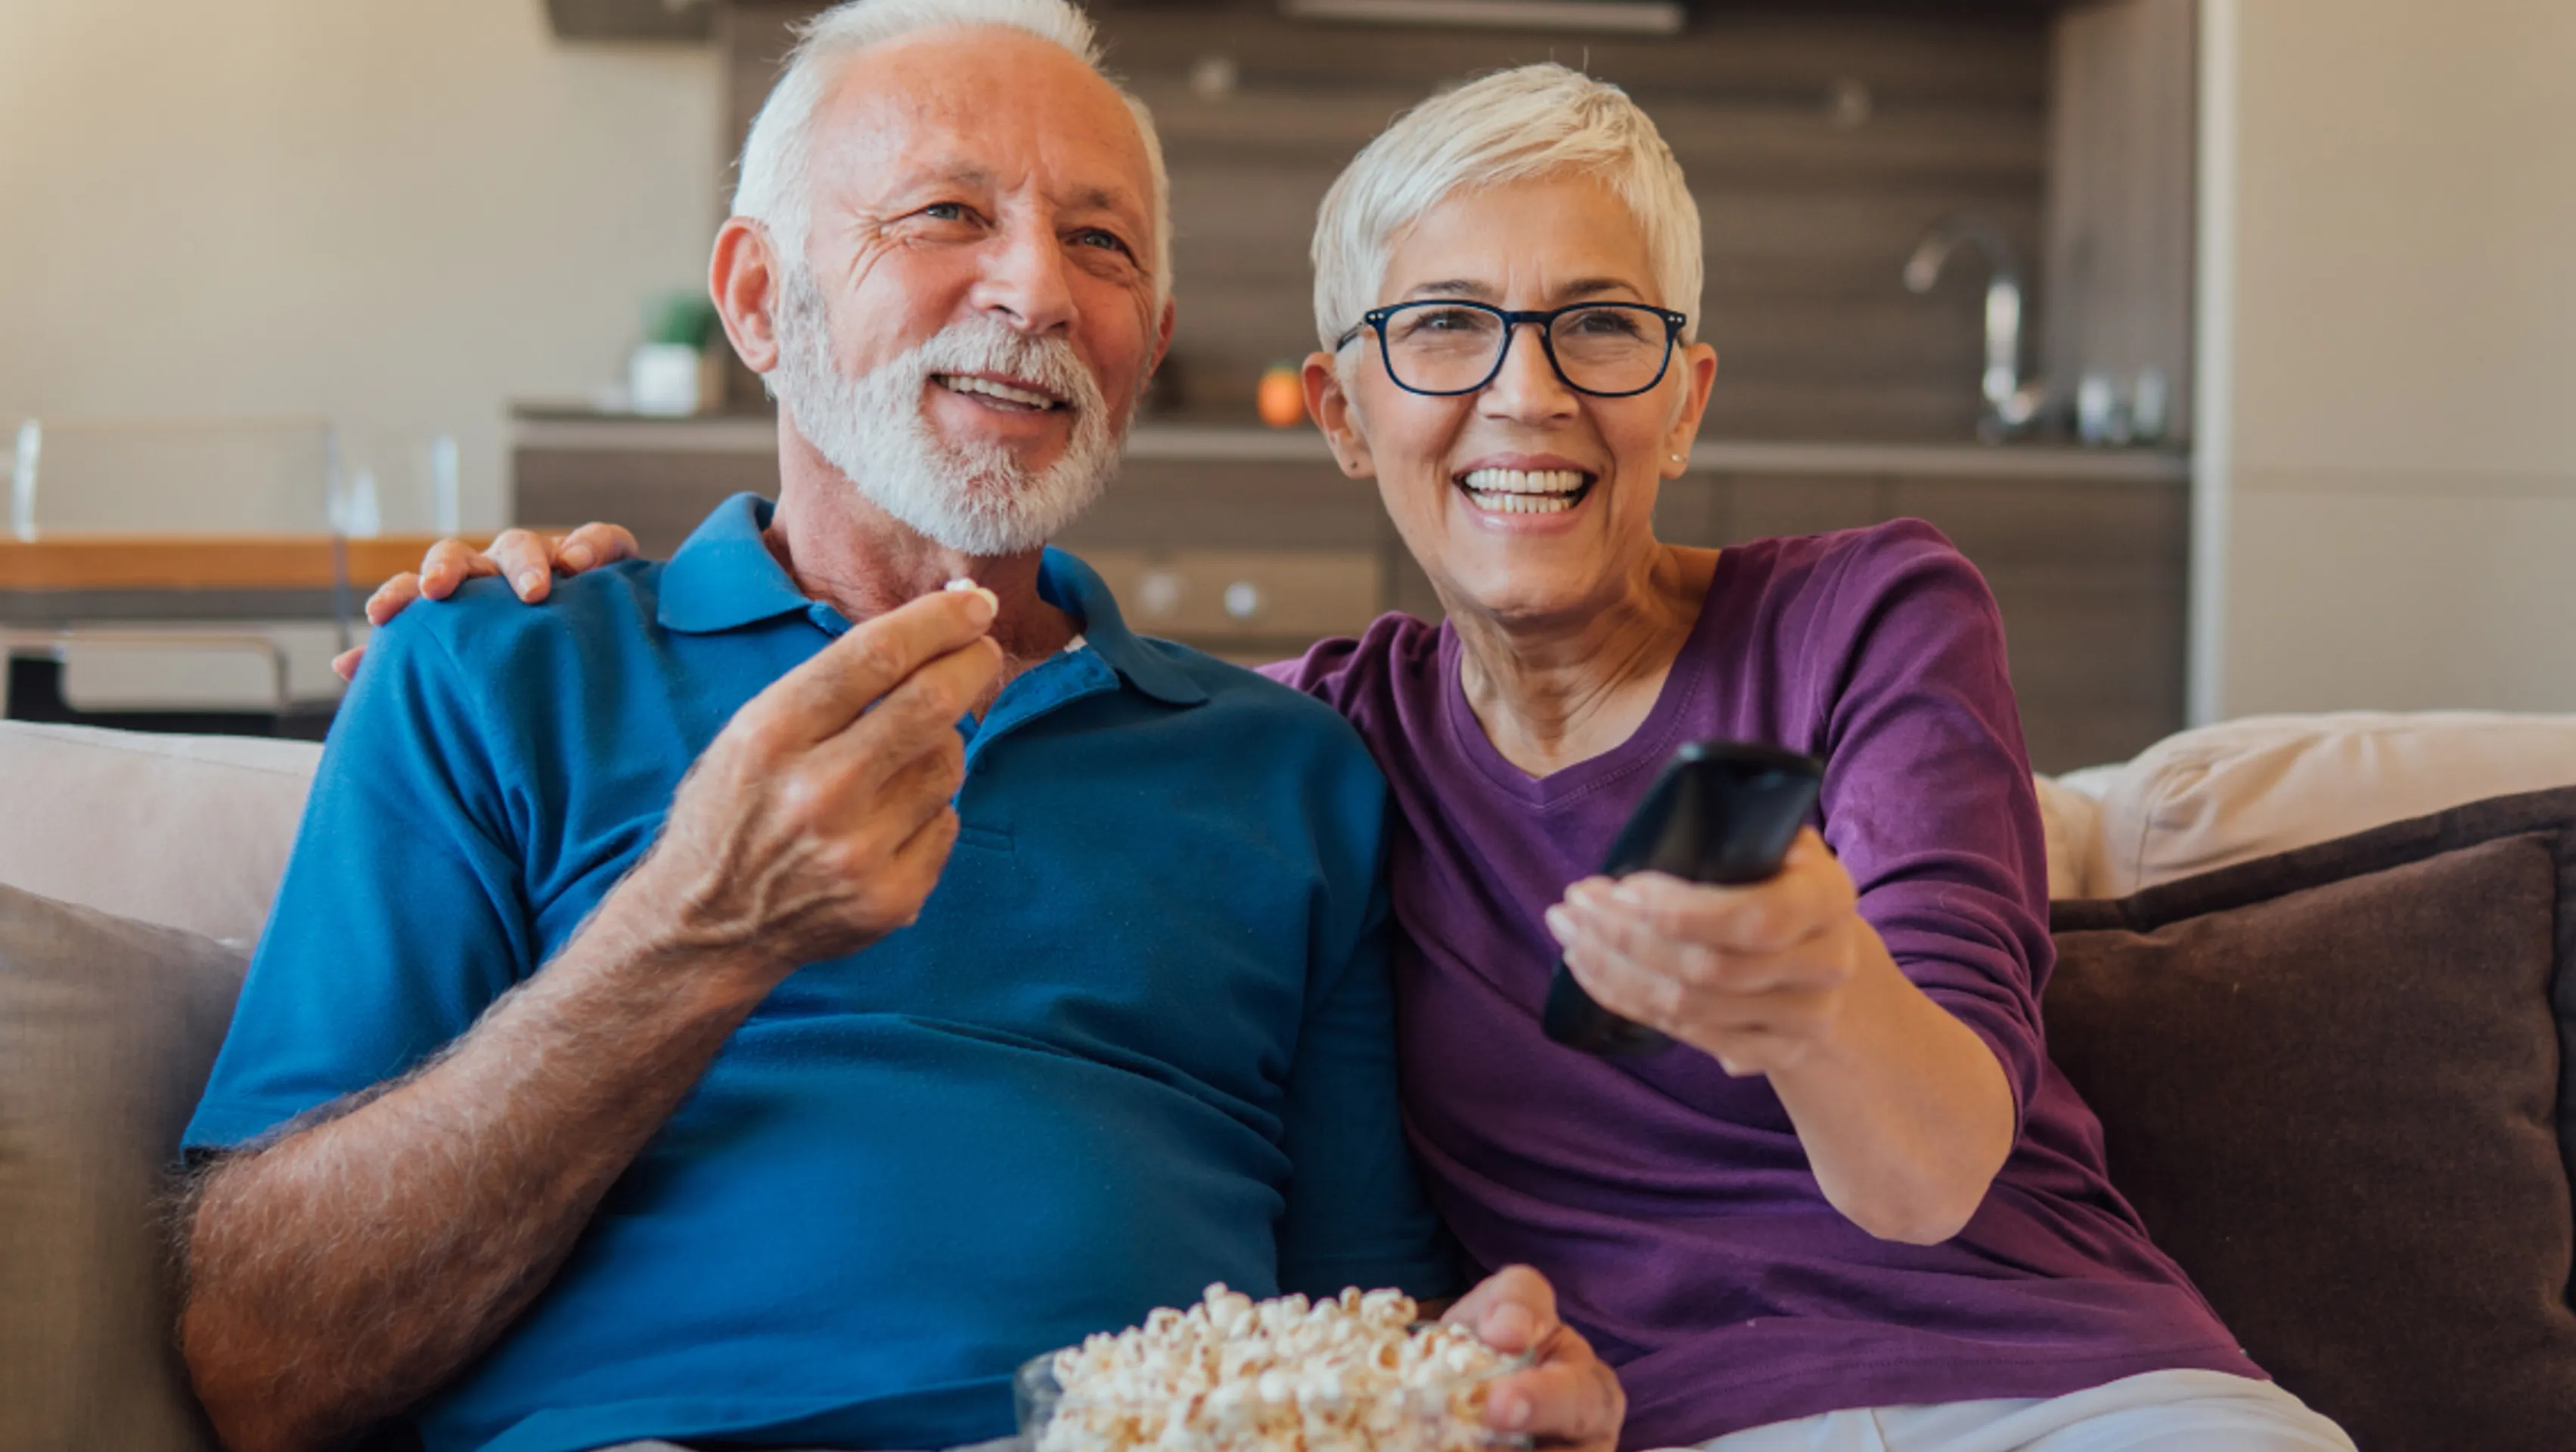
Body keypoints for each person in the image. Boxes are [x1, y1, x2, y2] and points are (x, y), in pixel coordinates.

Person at [366, 60, 2359, 1452]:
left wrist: (1818, 995)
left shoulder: (1866, 612)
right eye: (1442, 332)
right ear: (1338, 408)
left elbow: (1933, 1172)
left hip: (2090, 1386)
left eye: (1602, 329)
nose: (1527, 396)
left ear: (1684, 392)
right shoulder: (1308, 749)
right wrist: (554, 588)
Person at [171, 7, 1618, 1452]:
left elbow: (1365, 1326)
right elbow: (260, 1362)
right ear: (757, 299)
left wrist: (1485, 1388)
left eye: (1102, 246)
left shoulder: (1291, 770)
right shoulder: (494, 668)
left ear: (1146, 349)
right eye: (946, 214)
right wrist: (695, 931)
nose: (1039, 289)